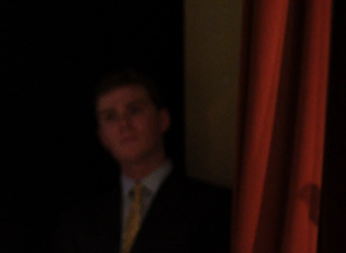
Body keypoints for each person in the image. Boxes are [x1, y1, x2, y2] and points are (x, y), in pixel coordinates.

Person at [54, 69, 231, 253]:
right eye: (111, 117)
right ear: (103, 137)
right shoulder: (79, 224)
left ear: (162, 120)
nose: (124, 124)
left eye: (134, 110)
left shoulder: (215, 209)